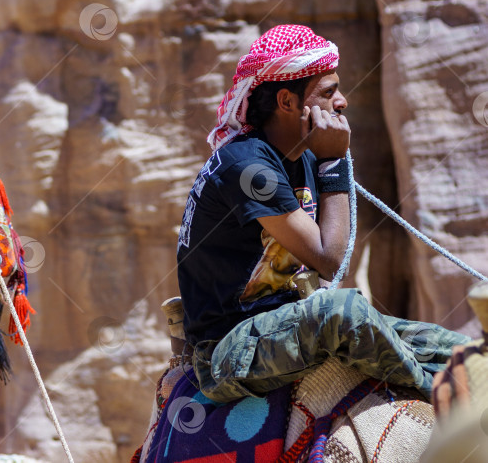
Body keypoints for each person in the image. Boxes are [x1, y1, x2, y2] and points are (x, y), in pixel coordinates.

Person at [177, 24, 469, 403]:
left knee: (451, 347)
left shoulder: (304, 156)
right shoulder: (247, 165)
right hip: (229, 351)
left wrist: (327, 160)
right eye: (329, 92)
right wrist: (333, 163)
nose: (342, 101)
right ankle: (439, 397)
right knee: (344, 310)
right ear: (287, 101)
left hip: (287, 324)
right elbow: (332, 260)